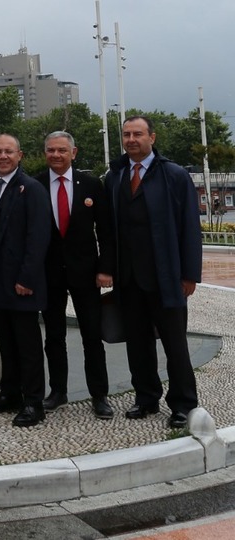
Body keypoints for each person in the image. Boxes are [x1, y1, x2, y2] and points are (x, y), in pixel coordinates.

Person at [105, 116, 201, 429]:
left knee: (175, 344)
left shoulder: (174, 175)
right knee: (137, 343)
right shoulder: (115, 175)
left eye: (138, 134)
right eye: (126, 134)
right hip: (129, 278)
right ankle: (146, 397)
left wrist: (189, 274)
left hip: (166, 276)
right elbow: (109, 229)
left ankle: (183, 404)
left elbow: (190, 226)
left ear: (152, 137)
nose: (131, 139)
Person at [36, 131, 115, 419]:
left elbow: (106, 231)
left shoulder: (92, 185)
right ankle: (58, 391)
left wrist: (106, 269)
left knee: (91, 335)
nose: (56, 155)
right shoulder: (34, 185)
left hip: (86, 273)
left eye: (61, 150)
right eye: (51, 150)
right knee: (53, 336)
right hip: (49, 273)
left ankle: (100, 394)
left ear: (74, 152)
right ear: (45, 153)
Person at [0, 134, 51, 427]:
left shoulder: (30, 188)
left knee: (27, 344)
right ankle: (10, 393)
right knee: (6, 341)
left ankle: (33, 402)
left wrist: (27, 277)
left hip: (21, 279)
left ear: (19, 155)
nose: (3, 156)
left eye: (9, 151)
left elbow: (38, 236)